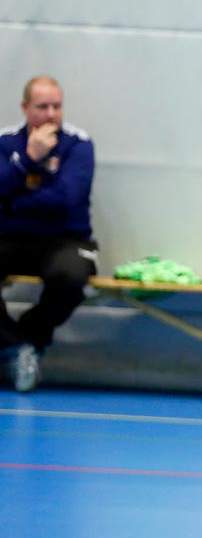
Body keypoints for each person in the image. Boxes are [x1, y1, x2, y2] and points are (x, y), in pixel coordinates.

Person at [2, 76, 99, 393]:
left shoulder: (78, 144)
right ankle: (14, 347)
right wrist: (28, 159)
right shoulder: (6, 143)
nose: (51, 114)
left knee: (71, 278)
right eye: (42, 107)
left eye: (56, 106)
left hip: (66, 239)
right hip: (12, 239)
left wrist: (12, 202)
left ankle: (28, 337)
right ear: (26, 108)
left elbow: (65, 199)